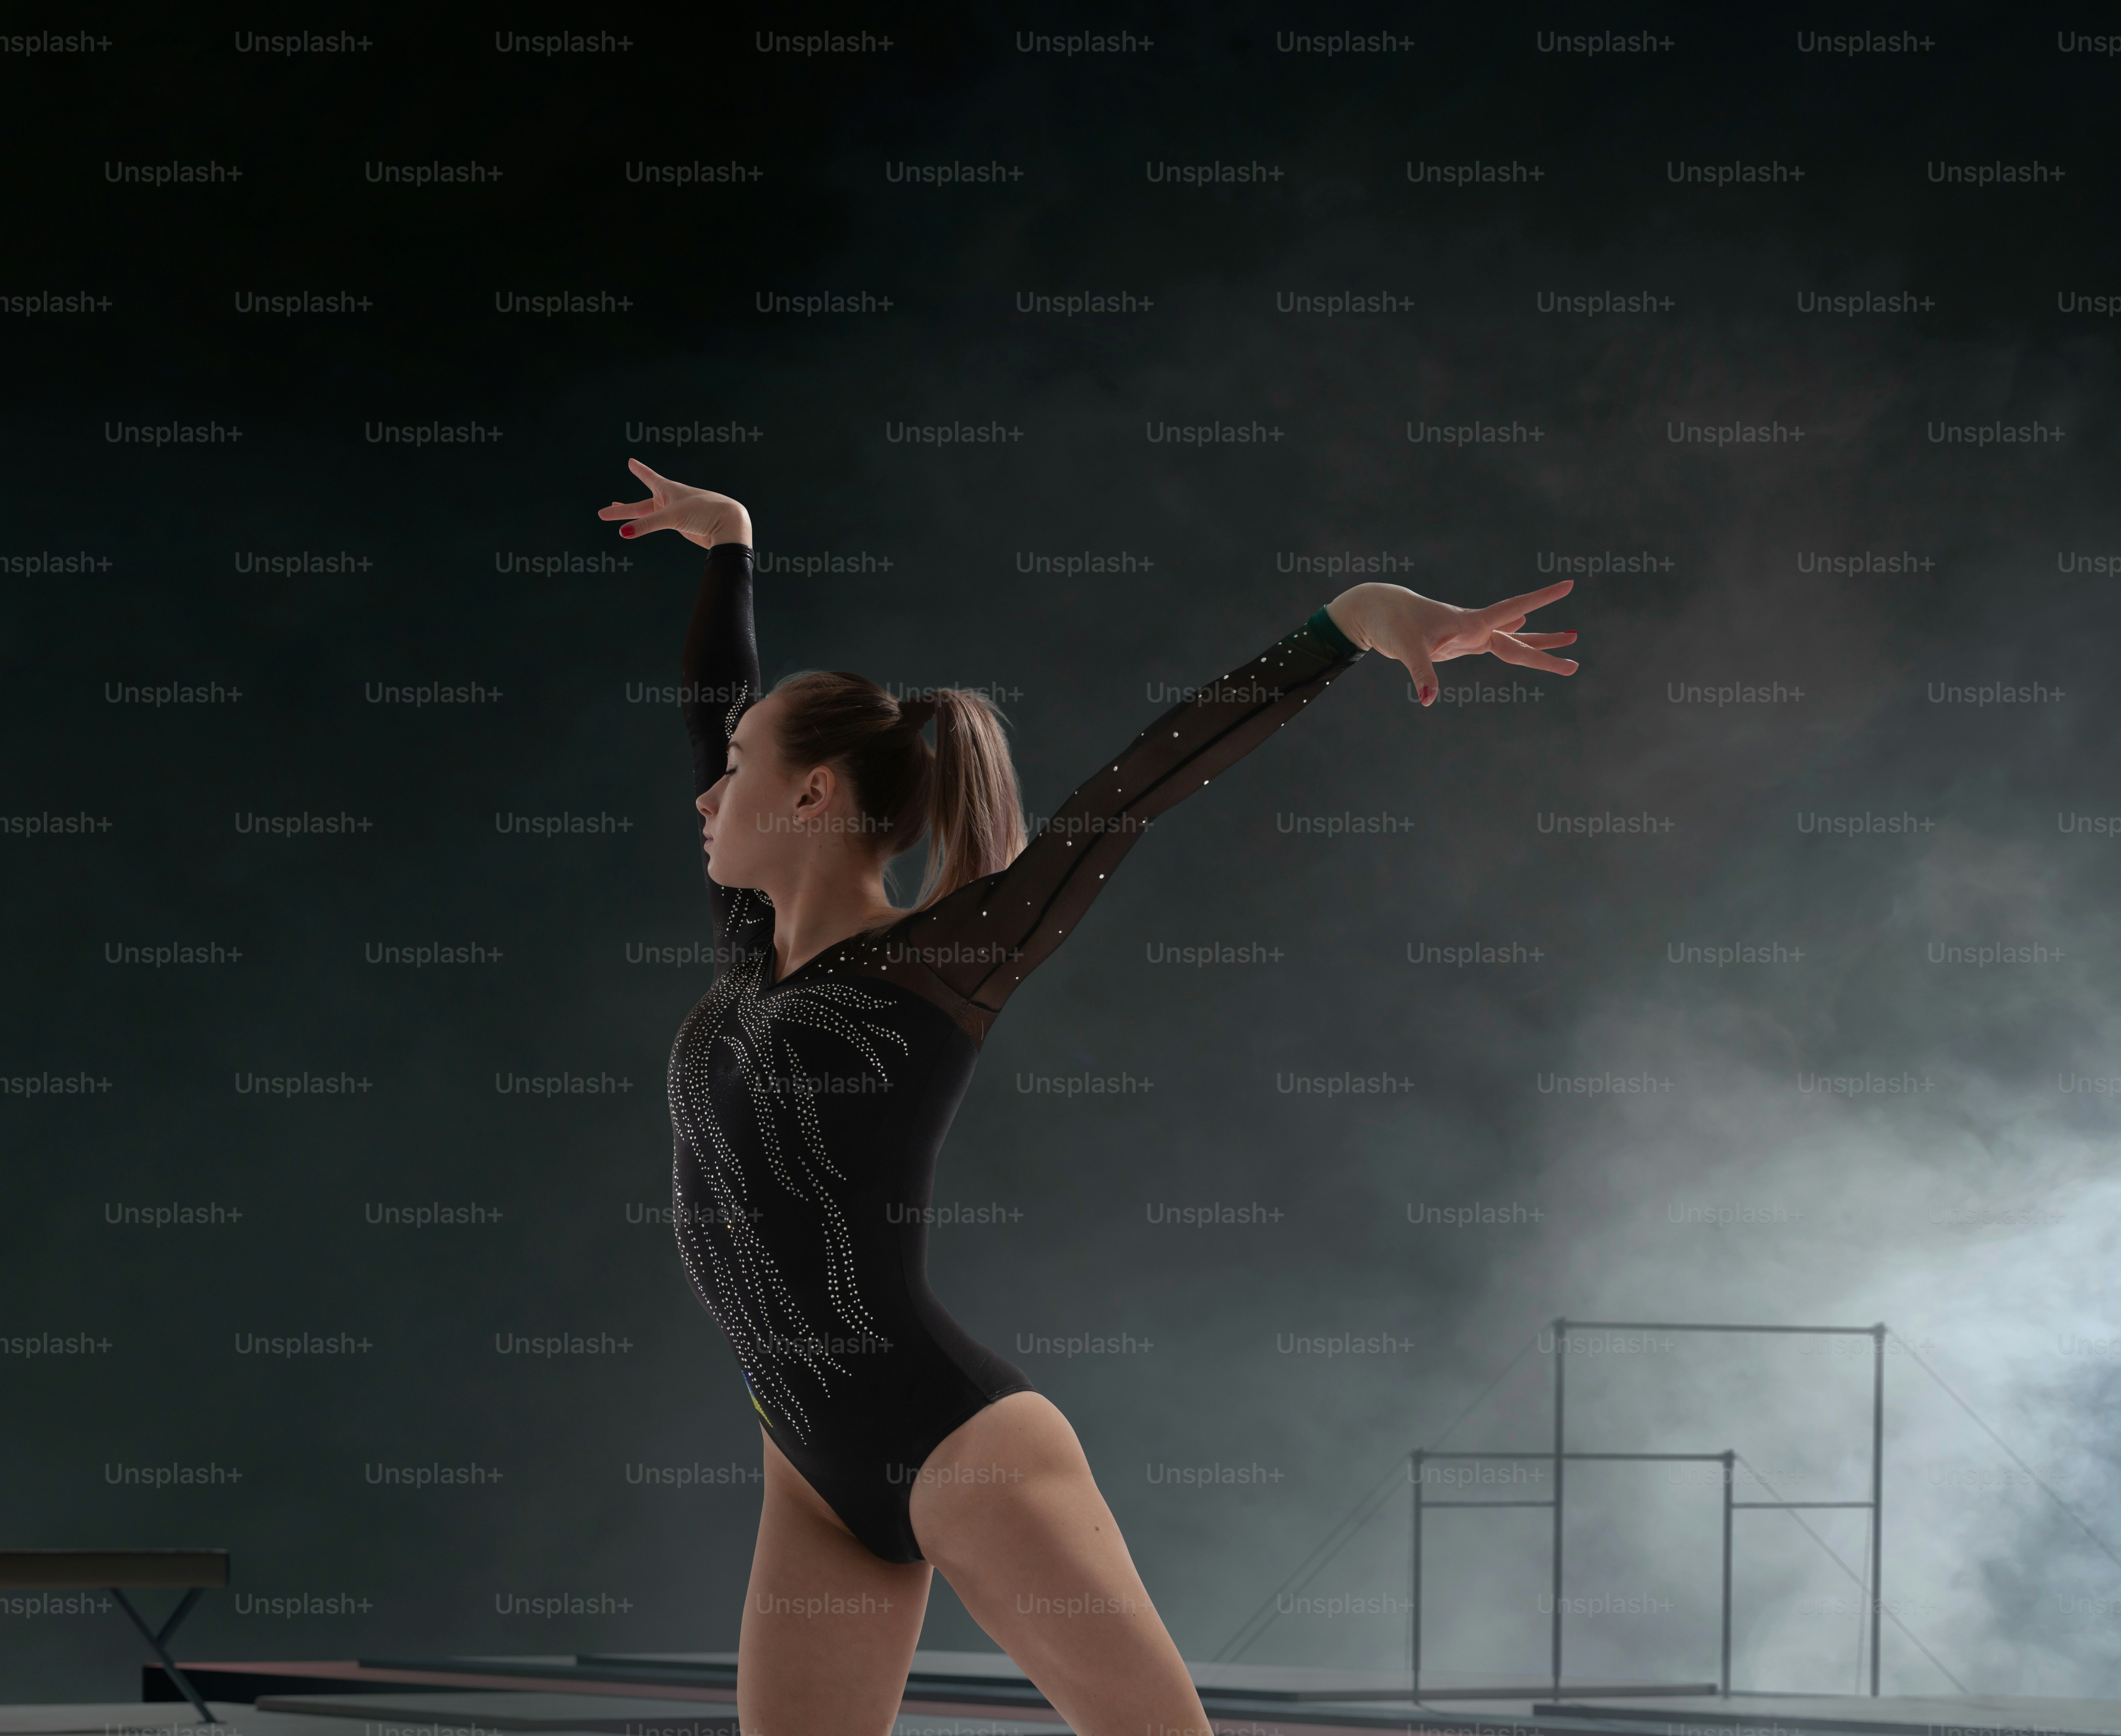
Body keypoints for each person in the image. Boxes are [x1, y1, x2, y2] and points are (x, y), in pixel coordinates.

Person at [600, 458, 1579, 1736]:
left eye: (735, 769)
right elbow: (712, 705)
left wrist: (1348, 623)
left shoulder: (940, 957)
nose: (704, 789)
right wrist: (729, 543)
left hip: (958, 1447)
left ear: (812, 795)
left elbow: (1126, 797)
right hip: (808, 1468)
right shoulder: (750, 940)